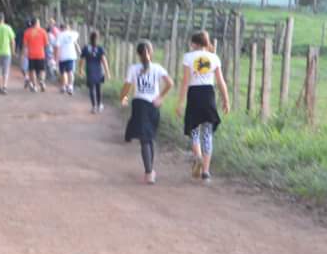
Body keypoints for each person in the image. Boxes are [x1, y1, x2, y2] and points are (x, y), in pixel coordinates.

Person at [175, 30, 231, 182]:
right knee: (207, 133)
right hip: (208, 95)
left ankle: (198, 157)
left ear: (194, 43)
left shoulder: (188, 57)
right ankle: (206, 172)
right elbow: (221, 82)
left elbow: (185, 81)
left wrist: (180, 103)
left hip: (194, 95)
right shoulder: (214, 58)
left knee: (194, 130)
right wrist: (226, 100)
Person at [120, 41, 174, 184]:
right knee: (149, 138)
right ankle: (150, 170)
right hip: (153, 105)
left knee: (144, 139)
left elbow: (126, 88)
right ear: (152, 52)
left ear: (138, 54)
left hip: (139, 104)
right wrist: (160, 97)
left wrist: (123, 98)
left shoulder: (133, 68)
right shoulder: (158, 68)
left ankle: (149, 172)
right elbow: (170, 83)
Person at [79, 31, 110, 113]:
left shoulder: (86, 48)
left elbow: (82, 60)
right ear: (98, 38)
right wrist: (107, 72)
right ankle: (99, 105)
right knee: (98, 88)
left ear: (90, 38)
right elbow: (104, 61)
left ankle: (94, 106)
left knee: (91, 89)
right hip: (99, 70)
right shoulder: (100, 48)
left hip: (90, 70)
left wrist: (80, 69)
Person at [23, 18, 49, 92]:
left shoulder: (27, 32)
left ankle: (34, 86)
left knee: (32, 70)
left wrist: (25, 54)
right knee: (42, 70)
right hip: (41, 54)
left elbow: (25, 45)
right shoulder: (43, 31)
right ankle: (42, 81)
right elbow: (46, 44)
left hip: (31, 54)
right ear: (37, 23)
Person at [54, 23, 80, 95]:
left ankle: (63, 86)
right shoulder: (73, 34)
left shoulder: (59, 35)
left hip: (62, 56)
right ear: (68, 28)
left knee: (63, 72)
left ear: (60, 29)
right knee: (70, 71)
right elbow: (76, 36)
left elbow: (57, 47)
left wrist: (56, 58)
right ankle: (70, 86)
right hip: (71, 56)